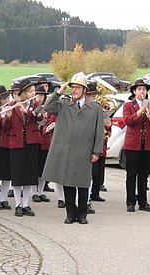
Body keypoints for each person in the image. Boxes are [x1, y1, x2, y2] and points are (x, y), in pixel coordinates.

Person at [42, 72, 104, 224]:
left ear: (84, 90)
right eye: (72, 87)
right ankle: (70, 214)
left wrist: (96, 151)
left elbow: (99, 131)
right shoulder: (63, 104)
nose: (74, 90)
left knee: (83, 184)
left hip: (84, 150)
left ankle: (82, 215)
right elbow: (47, 107)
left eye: (77, 88)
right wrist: (58, 92)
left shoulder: (95, 108)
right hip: (67, 151)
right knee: (68, 183)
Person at [3, 79, 43, 217]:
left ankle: (26, 204)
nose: (33, 93)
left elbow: (39, 118)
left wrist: (26, 111)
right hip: (17, 143)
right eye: (31, 91)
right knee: (18, 175)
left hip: (31, 143)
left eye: (34, 91)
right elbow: (6, 128)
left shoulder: (36, 105)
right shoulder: (12, 106)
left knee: (29, 176)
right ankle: (18, 204)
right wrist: (7, 118)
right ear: (24, 93)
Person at [123, 79, 150, 213]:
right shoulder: (128, 105)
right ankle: (130, 202)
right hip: (132, 145)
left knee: (144, 176)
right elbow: (128, 121)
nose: (142, 92)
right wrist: (141, 111)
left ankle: (143, 202)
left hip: (147, 145)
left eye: (144, 89)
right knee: (131, 175)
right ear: (134, 91)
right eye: (139, 89)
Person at [32, 85, 50, 203]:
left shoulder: (47, 107)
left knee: (43, 168)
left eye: (42, 95)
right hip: (34, 138)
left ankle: (40, 191)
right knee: (34, 167)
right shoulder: (33, 107)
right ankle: (34, 192)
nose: (40, 97)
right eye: (38, 95)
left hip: (45, 140)